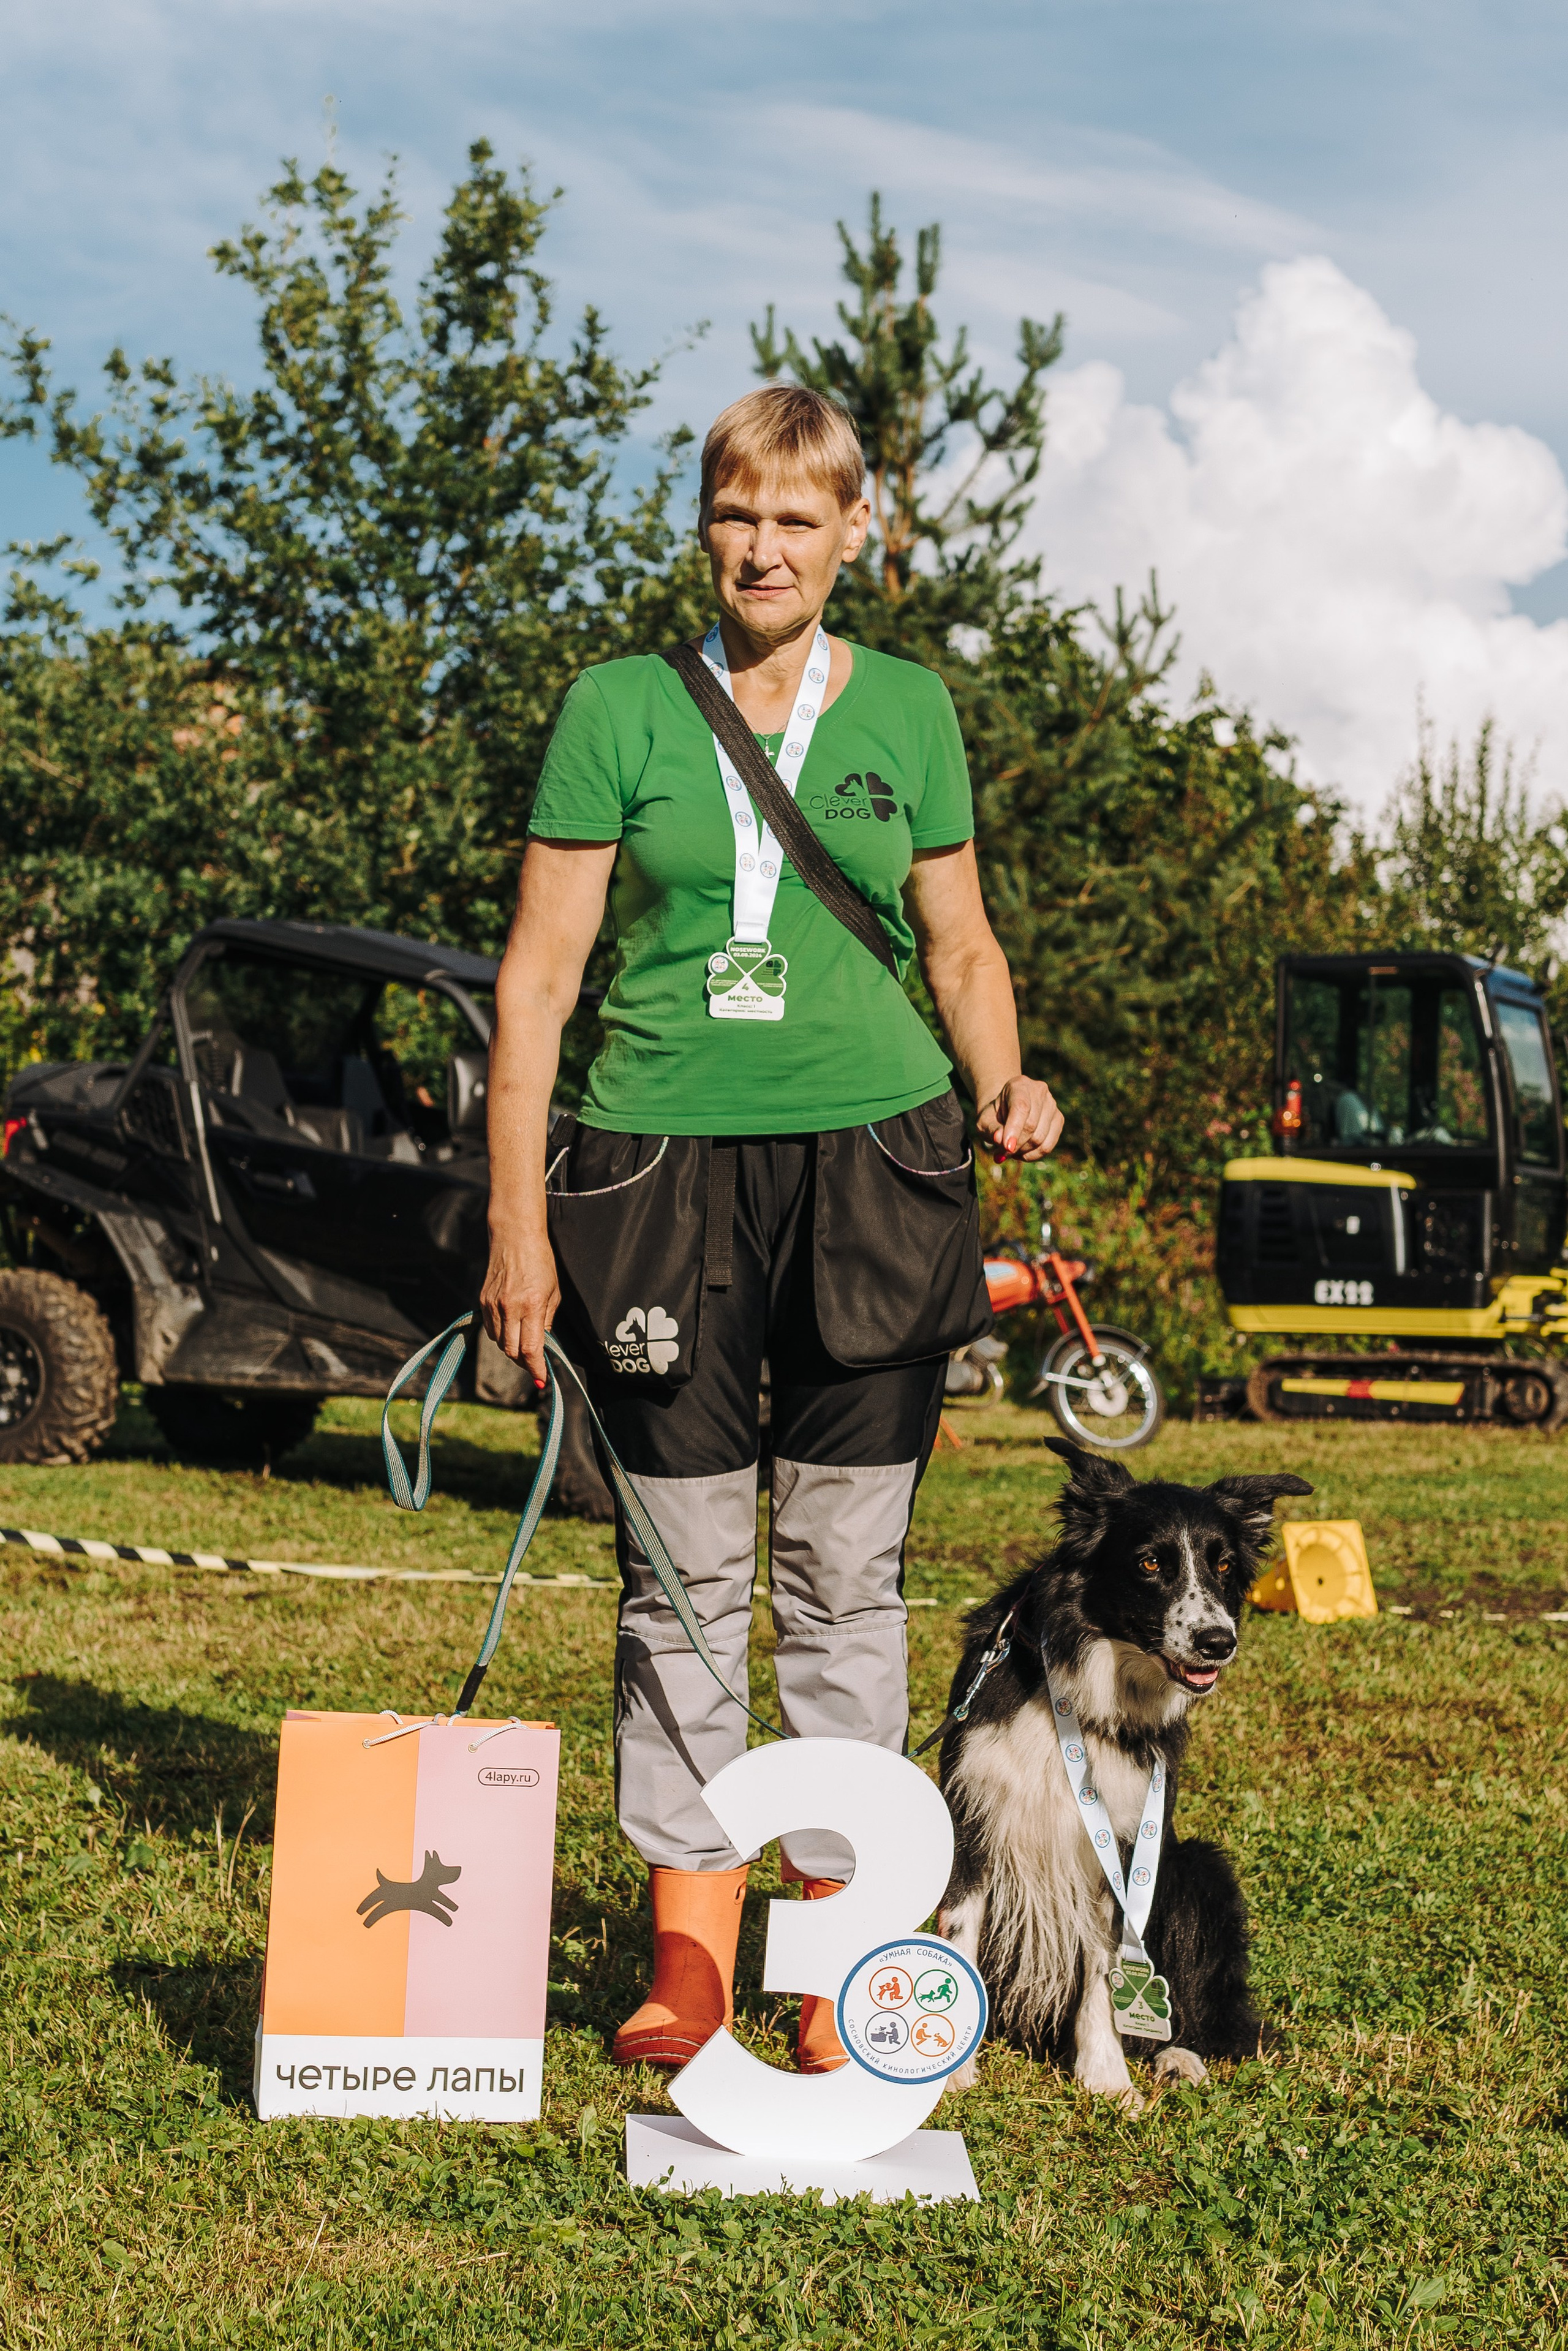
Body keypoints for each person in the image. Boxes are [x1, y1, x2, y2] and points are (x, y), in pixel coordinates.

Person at [481, 383, 1061, 2075]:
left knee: (843, 1577)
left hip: (879, 1166)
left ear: (852, 535)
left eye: (799, 520)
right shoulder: (616, 709)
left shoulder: (912, 711)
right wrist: (518, 1221)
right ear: (705, 524)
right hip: (657, 1170)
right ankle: (690, 1957)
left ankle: (828, 1953)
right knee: (682, 1576)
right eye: (740, 515)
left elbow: (959, 947)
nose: (764, 547)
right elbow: (538, 977)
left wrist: (1004, 1078)